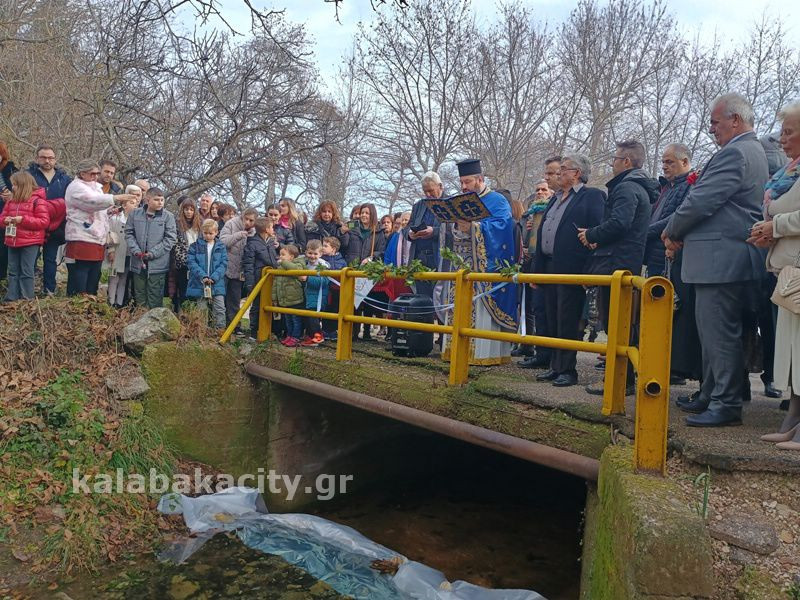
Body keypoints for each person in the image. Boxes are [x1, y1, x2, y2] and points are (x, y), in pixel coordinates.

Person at [663, 93, 769, 427]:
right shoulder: (751, 151)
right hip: (723, 259)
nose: (711, 129)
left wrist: (671, 230)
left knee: (719, 334)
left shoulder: (736, 153)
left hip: (721, 260)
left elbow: (701, 201)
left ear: (735, 120)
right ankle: (711, 393)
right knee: (712, 333)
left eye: (715, 122)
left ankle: (725, 403)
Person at [579, 140, 657, 395]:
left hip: (616, 264)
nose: (611, 163)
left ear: (626, 162)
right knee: (620, 323)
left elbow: (620, 223)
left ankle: (618, 382)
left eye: (614, 159)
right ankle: (621, 380)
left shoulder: (626, 188)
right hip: (623, 260)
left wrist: (591, 234)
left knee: (617, 324)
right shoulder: (638, 188)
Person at [749, 100, 800, 448]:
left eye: (789, 132)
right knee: (794, 350)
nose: (782, 139)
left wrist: (775, 226)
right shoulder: (791, 173)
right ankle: (792, 421)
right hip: (788, 270)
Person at [530, 154, 605, 384]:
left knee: (567, 319)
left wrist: (589, 270)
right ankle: (555, 365)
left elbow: (597, 231)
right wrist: (537, 271)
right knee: (551, 316)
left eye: (563, 169)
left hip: (572, 268)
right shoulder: (554, 199)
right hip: (549, 266)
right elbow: (543, 233)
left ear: (577, 173)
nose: (559, 173)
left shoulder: (591, 196)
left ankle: (567, 370)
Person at [438, 158, 518, 365]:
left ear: (480, 179)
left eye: (468, 182)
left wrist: (474, 227)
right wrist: (456, 226)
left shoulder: (497, 200)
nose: (464, 187)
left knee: (481, 309)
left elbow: (502, 227)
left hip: (484, 265)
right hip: (461, 261)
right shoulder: (460, 200)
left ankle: (482, 355)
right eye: (461, 182)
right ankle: (456, 351)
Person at [65, 160, 135, 296]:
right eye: (92, 174)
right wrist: (115, 198)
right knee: (82, 272)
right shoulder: (76, 187)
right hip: (82, 235)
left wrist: (111, 210)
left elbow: (99, 209)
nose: (96, 176)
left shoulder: (95, 187)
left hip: (97, 237)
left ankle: (91, 299)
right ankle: (79, 299)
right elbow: (92, 202)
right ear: (82, 173)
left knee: (94, 273)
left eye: (97, 173)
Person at [517, 178, 556, 366]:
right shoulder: (529, 214)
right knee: (528, 306)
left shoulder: (552, 211)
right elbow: (524, 238)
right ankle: (528, 344)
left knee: (542, 308)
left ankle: (545, 352)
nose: (540, 192)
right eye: (537, 190)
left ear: (551, 193)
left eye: (544, 189)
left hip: (545, 265)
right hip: (528, 263)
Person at [27, 145, 72, 295]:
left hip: (56, 225)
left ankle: (49, 291)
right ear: (37, 158)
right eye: (44, 157)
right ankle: (27, 291)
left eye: (50, 158)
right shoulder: (28, 176)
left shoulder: (64, 178)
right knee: (30, 259)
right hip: (33, 223)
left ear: (55, 159)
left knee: (50, 259)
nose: (47, 161)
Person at [645, 144, 694, 278]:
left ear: (684, 162)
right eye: (663, 162)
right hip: (654, 255)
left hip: (671, 257)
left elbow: (677, 216)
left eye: (669, 162)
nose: (664, 166)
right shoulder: (665, 187)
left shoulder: (692, 185)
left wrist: (646, 232)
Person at [125, 187, 178, 308]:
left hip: (157, 265)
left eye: (162, 200)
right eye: (156, 200)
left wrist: (153, 253)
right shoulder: (135, 214)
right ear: (147, 200)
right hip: (138, 263)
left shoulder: (168, 217)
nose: (160, 202)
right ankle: (140, 317)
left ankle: (154, 319)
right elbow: (128, 233)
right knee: (139, 296)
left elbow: (170, 239)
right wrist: (136, 250)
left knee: (155, 297)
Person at [1, 171, 49, 301]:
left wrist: (23, 220)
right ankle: (12, 297)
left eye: (15, 184)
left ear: (23, 185)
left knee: (26, 270)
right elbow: (2, 218)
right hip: (12, 240)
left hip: (30, 241)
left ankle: (27, 298)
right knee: (13, 270)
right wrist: (5, 220)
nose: (12, 187)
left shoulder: (38, 201)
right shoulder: (11, 201)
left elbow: (43, 222)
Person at [344, 203, 386, 341]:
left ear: (372, 214)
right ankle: (352, 332)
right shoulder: (353, 227)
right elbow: (344, 244)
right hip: (353, 268)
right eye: (362, 212)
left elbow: (382, 251)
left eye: (367, 213)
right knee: (352, 302)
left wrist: (372, 258)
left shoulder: (378, 231)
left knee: (367, 302)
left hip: (368, 271)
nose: (363, 215)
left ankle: (367, 331)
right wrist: (342, 232)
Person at [220, 207, 257, 329]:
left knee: (235, 300)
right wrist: (238, 235)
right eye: (246, 219)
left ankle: (235, 326)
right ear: (242, 217)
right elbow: (222, 242)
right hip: (225, 267)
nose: (248, 222)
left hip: (239, 271)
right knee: (220, 298)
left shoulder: (254, 232)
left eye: (251, 220)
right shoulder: (231, 224)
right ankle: (219, 325)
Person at [187, 219, 228, 330]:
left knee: (219, 308)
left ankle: (220, 330)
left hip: (217, 283)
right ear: (202, 232)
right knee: (202, 309)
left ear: (216, 232)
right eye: (205, 233)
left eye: (211, 233)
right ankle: (202, 331)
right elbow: (191, 263)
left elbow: (224, 264)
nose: (208, 236)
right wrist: (203, 276)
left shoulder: (221, 246)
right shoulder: (194, 246)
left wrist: (214, 277)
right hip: (200, 283)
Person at [242, 217, 279, 339]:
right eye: (271, 227)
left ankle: (269, 330)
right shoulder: (252, 244)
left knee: (270, 304)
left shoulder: (271, 243)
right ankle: (254, 331)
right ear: (266, 229)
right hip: (258, 280)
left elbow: (273, 260)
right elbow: (248, 264)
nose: (273, 229)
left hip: (270, 279)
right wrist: (249, 283)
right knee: (257, 305)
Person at [408, 172, 442, 299]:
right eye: (425, 191)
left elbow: (455, 229)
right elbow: (406, 227)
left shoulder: (449, 203)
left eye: (431, 191)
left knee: (439, 299)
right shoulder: (418, 206)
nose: (428, 194)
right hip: (420, 258)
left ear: (440, 186)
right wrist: (410, 234)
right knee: (422, 299)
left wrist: (434, 232)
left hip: (439, 258)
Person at [106, 189, 139, 307]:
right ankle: (110, 302)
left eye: (136, 204)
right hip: (116, 252)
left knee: (123, 279)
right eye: (132, 203)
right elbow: (110, 234)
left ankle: (119, 303)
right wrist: (111, 250)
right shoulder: (115, 218)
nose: (135, 206)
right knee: (113, 278)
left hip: (129, 254)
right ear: (124, 205)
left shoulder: (137, 221)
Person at [171, 197, 202, 312]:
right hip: (183, 263)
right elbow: (177, 245)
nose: (189, 212)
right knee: (183, 290)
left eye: (191, 209)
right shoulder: (177, 223)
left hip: (198, 263)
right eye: (186, 209)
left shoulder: (200, 224)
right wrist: (188, 260)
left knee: (195, 292)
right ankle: (183, 313)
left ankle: (194, 315)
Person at [272, 244, 306, 347]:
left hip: (295, 299)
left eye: (283, 255)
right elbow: (275, 283)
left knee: (296, 320)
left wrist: (283, 262)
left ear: (291, 257)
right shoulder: (280, 267)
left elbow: (297, 270)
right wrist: (274, 297)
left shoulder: (298, 263)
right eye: (280, 255)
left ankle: (296, 337)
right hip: (285, 299)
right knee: (288, 320)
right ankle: (289, 336)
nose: (280, 257)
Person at [300, 239, 329, 346]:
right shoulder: (305, 263)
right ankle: (311, 336)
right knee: (308, 317)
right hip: (308, 295)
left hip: (318, 297)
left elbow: (324, 281)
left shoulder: (323, 265)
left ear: (320, 254)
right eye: (310, 253)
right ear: (306, 252)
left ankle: (318, 337)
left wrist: (307, 278)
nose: (312, 256)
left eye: (315, 254)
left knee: (313, 318)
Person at [0, 142, 20, 281]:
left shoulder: (12, 171)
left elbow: (26, 192)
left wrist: (12, 196)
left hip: (7, 217)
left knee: (3, 249)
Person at [321, 236, 346, 340]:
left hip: (337, 290)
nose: (322, 248)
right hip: (326, 289)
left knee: (335, 309)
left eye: (325, 246)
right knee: (326, 309)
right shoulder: (321, 260)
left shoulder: (342, 261)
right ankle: (325, 330)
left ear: (333, 249)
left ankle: (333, 331)